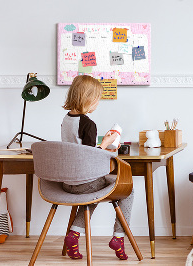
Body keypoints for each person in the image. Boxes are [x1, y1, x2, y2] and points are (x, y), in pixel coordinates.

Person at [61, 75, 134, 260]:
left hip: (67, 182)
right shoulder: (88, 124)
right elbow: (90, 156)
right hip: (84, 182)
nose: (97, 103)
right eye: (97, 99)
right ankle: (119, 237)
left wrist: (103, 145)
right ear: (88, 98)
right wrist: (107, 143)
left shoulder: (66, 120)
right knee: (127, 189)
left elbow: (79, 149)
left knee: (92, 194)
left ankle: (74, 235)